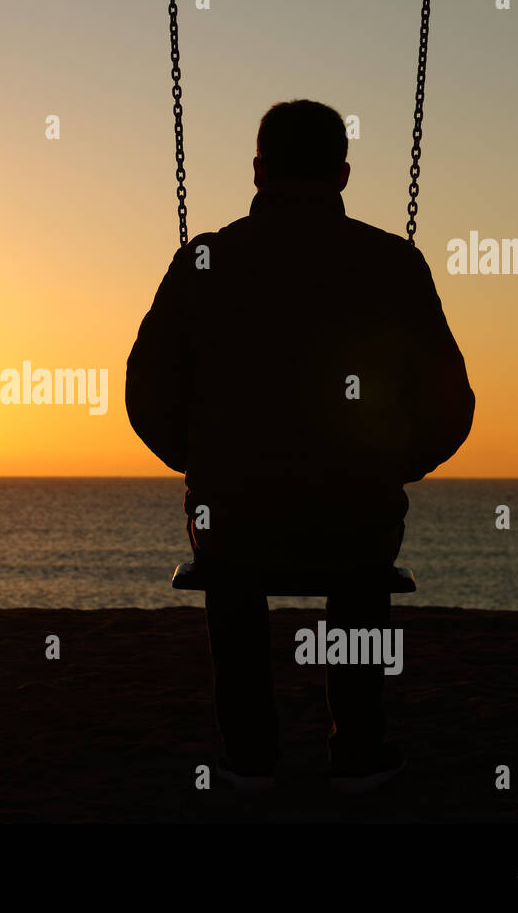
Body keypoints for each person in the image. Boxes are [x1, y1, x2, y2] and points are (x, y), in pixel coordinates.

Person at [125, 99, 474, 794]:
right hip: (354, 511)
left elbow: (145, 392)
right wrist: (394, 467)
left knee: (230, 562)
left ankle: (250, 758)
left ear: (257, 170)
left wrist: (199, 460)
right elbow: (450, 406)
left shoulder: (207, 261)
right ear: (343, 173)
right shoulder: (392, 263)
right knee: (360, 565)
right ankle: (358, 753)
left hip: (236, 510)